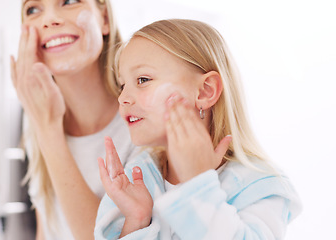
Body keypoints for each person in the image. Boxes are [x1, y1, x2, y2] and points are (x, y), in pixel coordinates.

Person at [94, 19, 302, 239]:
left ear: (205, 91)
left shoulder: (259, 186)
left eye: (143, 79)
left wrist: (197, 184)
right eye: (122, 84)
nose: (123, 97)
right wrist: (136, 221)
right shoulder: (137, 178)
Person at [9, 0, 140, 239]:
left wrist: (49, 130)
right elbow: (47, 229)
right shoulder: (36, 113)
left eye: (69, 1)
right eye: (33, 9)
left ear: (105, 19)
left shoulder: (141, 119)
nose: (49, 19)